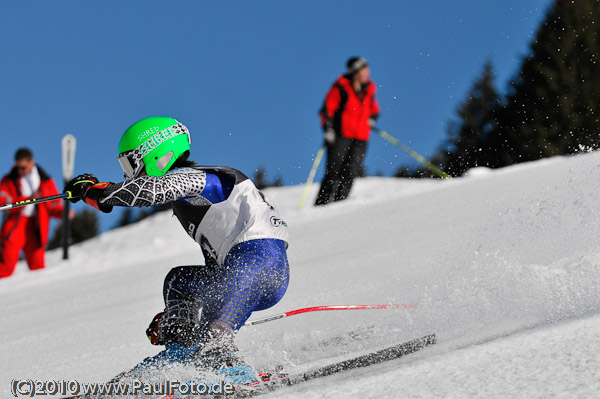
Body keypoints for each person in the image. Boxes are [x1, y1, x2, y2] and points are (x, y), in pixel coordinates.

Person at [64, 116, 290, 382]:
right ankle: (181, 353)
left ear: (156, 153)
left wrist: (99, 192)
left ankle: (232, 369)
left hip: (262, 265)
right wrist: (176, 318)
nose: (128, 174)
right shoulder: (188, 204)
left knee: (215, 336)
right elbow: (217, 273)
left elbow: (151, 190)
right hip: (235, 276)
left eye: (130, 164)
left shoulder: (200, 178)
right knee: (178, 281)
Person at [315, 56, 381, 205]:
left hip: (361, 138)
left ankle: (340, 204)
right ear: (356, 71)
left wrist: (372, 119)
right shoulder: (341, 88)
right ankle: (322, 204)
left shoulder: (369, 90)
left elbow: (375, 110)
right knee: (334, 171)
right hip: (340, 136)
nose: (368, 72)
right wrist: (328, 129)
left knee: (351, 172)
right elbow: (326, 110)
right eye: (365, 70)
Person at [0, 148, 66, 278]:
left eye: (23, 168)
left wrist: (63, 213)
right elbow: (4, 203)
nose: (20, 171)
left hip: (37, 227)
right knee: (5, 268)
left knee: (38, 268)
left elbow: (55, 206)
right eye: (18, 168)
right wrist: (28, 199)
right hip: (15, 227)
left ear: (31, 163)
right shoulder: (9, 180)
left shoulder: (46, 181)